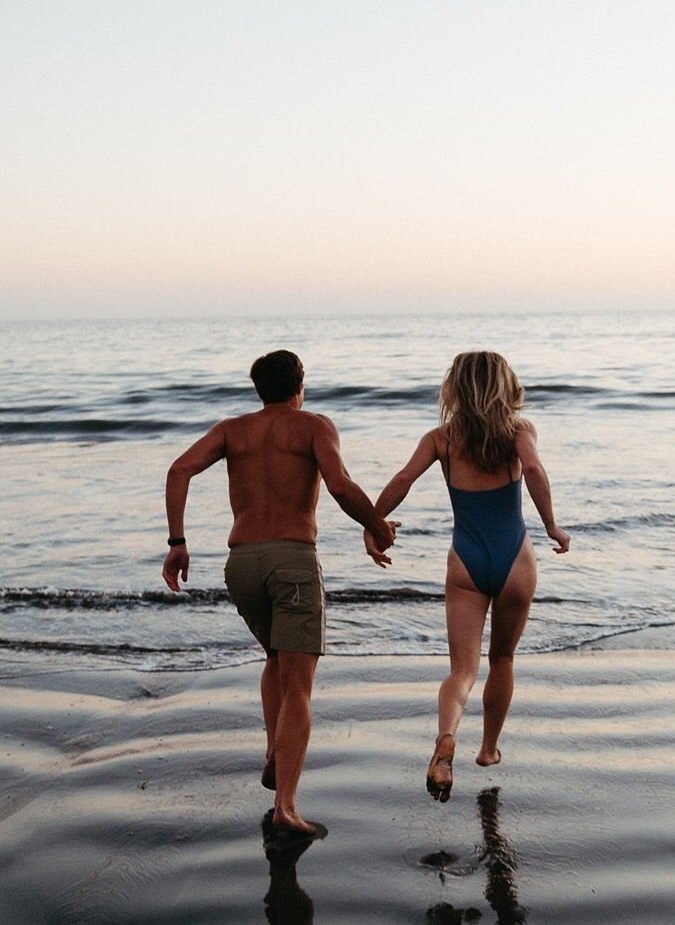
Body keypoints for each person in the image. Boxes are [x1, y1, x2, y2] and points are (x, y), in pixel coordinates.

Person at [162, 350, 397, 834]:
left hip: (241, 564)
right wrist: (377, 525)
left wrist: (178, 542)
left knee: (274, 657)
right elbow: (339, 485)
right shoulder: (313, 425)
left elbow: (178, 470)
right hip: (291, 561)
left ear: (258, 388)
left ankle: (274, 750)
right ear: (300, 384)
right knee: (300, 683)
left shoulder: (232, 429)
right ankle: (286, 807)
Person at [365, 351, 569, 803]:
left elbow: (403, 479)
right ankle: (489, 749)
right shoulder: (519, 433)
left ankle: (445, 739)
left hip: (466, 563)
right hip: (516, 560)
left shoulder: (442, 439)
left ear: (454, 388)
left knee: (462, 670)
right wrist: (552, 525)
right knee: (503, 660)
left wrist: (375, 523)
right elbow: (533, 469)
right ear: (505, 385)